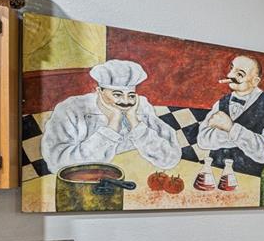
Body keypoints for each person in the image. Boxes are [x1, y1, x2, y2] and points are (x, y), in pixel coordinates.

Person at [41, 60, 181, 172]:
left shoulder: (141, 106)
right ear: (99, 91)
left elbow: (170, 158)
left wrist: (135, 122)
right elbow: (57, 164)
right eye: (117, 95)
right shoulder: (72, 109)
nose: (125, 102)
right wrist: (112, 125)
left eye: (131, 95)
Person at [196, 55, 264, 177]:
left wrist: (231, 128)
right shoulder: (221, 103)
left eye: (240, 74)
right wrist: (241, 138)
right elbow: (202, 140)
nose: (230, 76)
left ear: (255, 81)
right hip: (215, 175)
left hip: (252, 180)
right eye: (231, 69)